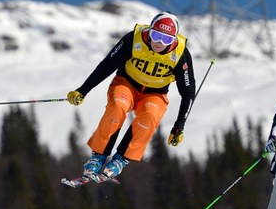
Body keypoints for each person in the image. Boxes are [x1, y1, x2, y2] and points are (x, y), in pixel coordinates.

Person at [67, 12, 196, 181]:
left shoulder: (180, 54)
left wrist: (179, 127)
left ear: (173, 40)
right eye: (156, 35)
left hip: (155, 93)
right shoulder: (134, 40)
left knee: (149, 117)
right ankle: (98, 157)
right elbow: (107, 65)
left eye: (166, 40)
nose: (159, 42)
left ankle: (121, 159)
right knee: (117, 107)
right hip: (126, 84)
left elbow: (188, 92)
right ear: (149, 32)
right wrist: (83, 90)